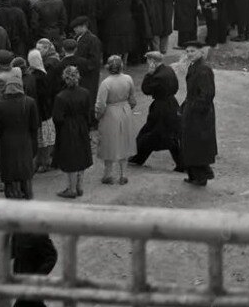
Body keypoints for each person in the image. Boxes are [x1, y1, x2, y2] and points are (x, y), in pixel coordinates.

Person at [129, 52, 183, 172]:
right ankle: (138, 158)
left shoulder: (158, 76)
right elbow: (176, 87)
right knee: (162, 133)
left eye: (148, 60)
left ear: (152, 61)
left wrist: (149, 74)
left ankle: (138, 158)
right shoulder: (169, 70)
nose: (147, 63)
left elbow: (146, 89)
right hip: (172, 104)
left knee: (153, 133)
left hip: (160, 107)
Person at [0, 73, 39, 199]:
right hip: (25, 140)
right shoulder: (30, 102)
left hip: (7, 142)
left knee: (9, 170)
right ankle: (27, 193)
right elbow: (35, 126)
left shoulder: (0, 105)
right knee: (25, 168)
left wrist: (1, 135)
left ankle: (12, 194)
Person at [94, 55, 137, 185]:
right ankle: (123, 174)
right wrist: (128, 107)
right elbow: (132, 99)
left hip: (110, 113)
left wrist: (98, 116)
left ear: (108, 67)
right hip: (125, 111)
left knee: (109, 143)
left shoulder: (106, 83)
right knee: (124, 142)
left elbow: (100, 104)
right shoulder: (128, 79)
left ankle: (108, 174)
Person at [51, 65, 92, 199]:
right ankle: (79, 186)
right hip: (82, 125)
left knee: (71, 157)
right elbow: (88, 112)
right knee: (81, 155)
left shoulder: (61, 97)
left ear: (65, 78)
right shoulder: (85, 93)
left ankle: (72, 188)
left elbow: (57, 118)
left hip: (67, 128)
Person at [180, 41, 217, 186]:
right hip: (193, 110)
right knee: (191, 143)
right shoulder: (194, 66)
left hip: (200, 114)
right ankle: (195, 175)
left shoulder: (203, 70)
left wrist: (194, 109)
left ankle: (201, 177)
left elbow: (207, 94)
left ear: (201, 52)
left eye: (193, 51)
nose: (189, 54)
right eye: (187, 51)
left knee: (197, 144)